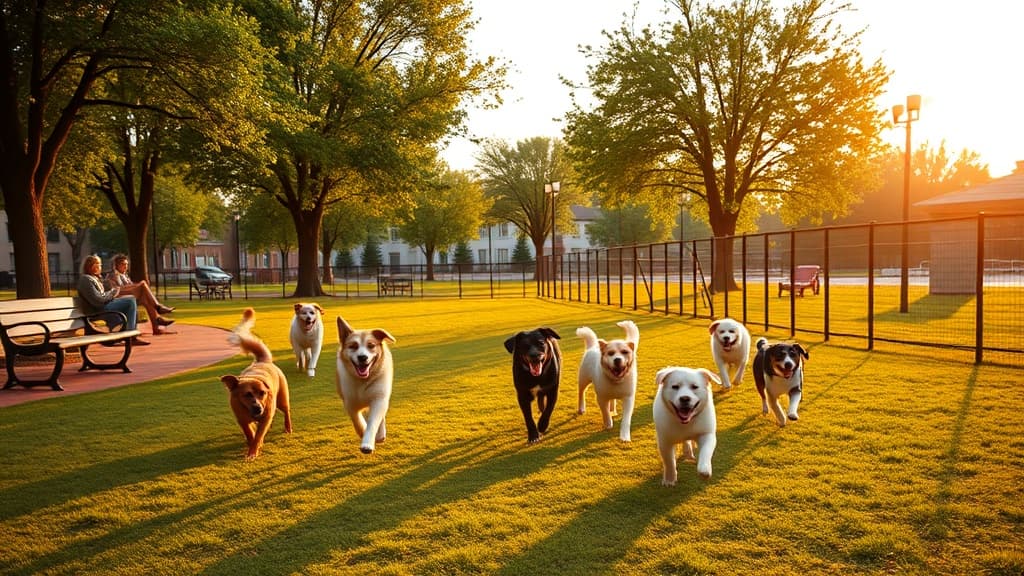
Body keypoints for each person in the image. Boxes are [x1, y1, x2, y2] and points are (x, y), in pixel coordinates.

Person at [77, 255, 151, 345]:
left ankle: (128, 334)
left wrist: (111, 290)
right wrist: (113, 293)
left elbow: (103, 295)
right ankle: (130, 336)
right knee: (130, 302)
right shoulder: (86, 279)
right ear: (92, 266)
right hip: (97, 310)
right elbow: (98, 300)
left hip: (102, 306)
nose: (101, 266)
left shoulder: (95, 278)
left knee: (130, 300)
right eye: (99, 264)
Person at [106, 254, 176, 317]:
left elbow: (130, 285)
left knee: (147, 301)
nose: (125, 266)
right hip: (119, 298)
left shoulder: (125, 276)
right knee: (143, 283)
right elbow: (114, 290)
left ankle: (156, 324)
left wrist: (134, 287)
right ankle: (158, 306)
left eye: (127, 264)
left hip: (129, 296)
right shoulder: (112, 275)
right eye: (123, 264)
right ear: (116, 265)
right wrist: (135, 287)